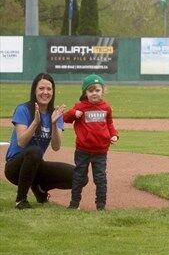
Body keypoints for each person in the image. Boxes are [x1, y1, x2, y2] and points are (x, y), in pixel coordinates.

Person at [4, 73, 75, 209]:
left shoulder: (55, 114)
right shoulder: (23, 109)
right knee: (35, 151)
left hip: (36, 166)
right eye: (41, 88)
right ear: (34, 90)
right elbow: (21, 142)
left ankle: (40, 187)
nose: (45, 92)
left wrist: (54, 123)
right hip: (15, 168)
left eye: (49, 89)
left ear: (53, 92)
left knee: (79, 176)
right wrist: (35, 123)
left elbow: (56, 146)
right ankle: (21, 200)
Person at [64, 74, 119, 211]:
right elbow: (66, 118)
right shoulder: (80, 107)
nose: (94, 93)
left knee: (100, 179)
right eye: (90, 90)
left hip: (101, 151)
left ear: (103, 91)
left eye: (97, 90)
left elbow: (110, 124)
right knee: (79, 177)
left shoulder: (106, 107)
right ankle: (74, 204)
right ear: (85, 92)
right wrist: (73, 113)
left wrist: (114, 135)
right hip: (83, 150)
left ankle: (101, 206)